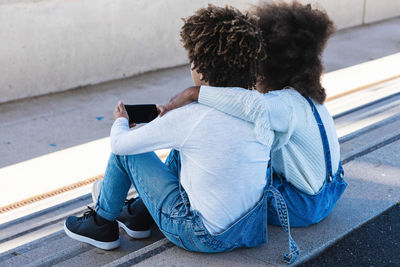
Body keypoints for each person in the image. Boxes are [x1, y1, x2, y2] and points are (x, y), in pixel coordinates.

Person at [64, 4, 301, 263]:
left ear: (200, 67)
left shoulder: (190, 116)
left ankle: (101, 223)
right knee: (185, 150)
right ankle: (140, 215)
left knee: (127, 155)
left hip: (200, 235)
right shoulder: (258, 108)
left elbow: (121, 145)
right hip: (249, 230)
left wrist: (120, 121)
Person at [158, 1, 347, 228]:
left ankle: (154, 205)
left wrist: (195, 93)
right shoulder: (305, 98)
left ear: (269, 65)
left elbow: (250, 104)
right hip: (329, 191)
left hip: (301, 206)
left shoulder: (282, 104)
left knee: (208, 151)